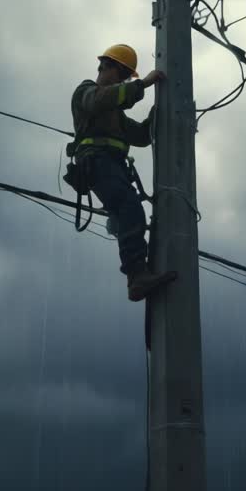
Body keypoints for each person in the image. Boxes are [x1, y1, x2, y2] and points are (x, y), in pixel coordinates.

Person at [68, 43, 169, 301]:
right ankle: (137, 276)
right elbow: (100, 100)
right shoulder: (86, 92)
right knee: (129, 206)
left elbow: (143, 136)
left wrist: (163, 108)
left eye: (127, 77)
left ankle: (139, 274)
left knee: (130, 209)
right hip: (97, 163)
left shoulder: (116, 116)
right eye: (122, 74)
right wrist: (142, 85)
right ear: (105, 67)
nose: (123, 80)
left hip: (112, 167)